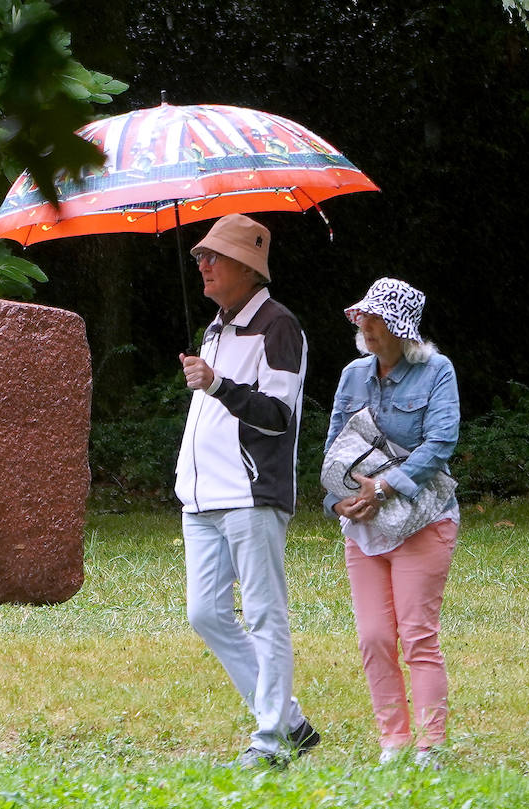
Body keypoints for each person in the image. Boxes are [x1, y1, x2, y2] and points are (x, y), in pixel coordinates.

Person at [175, 214, 320, 769]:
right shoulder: (216, 326)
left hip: (251, 493)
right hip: (202, 495)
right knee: (205, 614)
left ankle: (272, 742)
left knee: (264, 614)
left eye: (213, 257)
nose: (203, 265)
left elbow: (279, 416)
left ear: (246, 267)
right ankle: (289, 720)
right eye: (200, 258)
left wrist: (216, 384)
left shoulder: (280, 326)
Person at [324, 278, 459, 770]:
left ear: (402, 329)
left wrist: (383, 487)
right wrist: (338, 502)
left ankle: (430, 746)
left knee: (417, 634)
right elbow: (335, 446)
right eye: (364, 315)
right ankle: (394, 743)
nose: (367, 324)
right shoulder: (352, 374)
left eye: (377, 317)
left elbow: (440, 444)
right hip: (363, 527)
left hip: (423, 521)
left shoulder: (437, 371)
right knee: (375, 637)